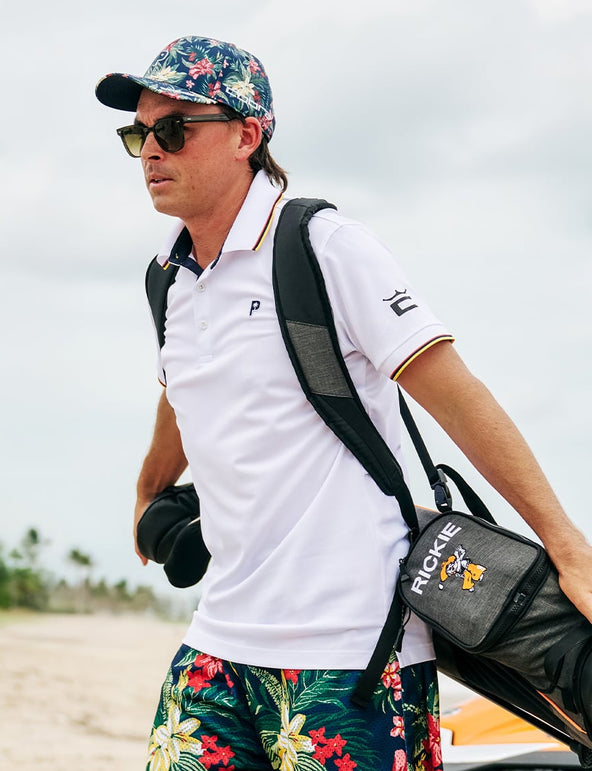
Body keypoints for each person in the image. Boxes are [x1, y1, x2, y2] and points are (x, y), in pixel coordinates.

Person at [96, 35, 592, 771]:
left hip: (352, 652)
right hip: (218, 646)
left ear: (246, 135)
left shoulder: (324, 247)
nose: (151, 153)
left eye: (173, 129)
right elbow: (185, 383)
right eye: (139, 134)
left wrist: (569, 549)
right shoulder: (170, 278)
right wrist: (149, 488)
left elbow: (460, 400)